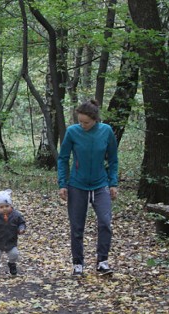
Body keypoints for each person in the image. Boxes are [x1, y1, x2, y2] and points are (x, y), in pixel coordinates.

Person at [58, 99, 118, 276]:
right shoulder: (72, 132)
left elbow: (113, 159)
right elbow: (63, 159)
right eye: (80, 121)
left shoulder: (106, 131)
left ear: (95, 120)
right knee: (77, 227)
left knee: (105, 223)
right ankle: (78, 264)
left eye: (86, 122)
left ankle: (102, 262)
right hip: (77, 185)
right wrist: (63, 184)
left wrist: (113, 183)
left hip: (101, 184)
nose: (82, 125)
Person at [0, 189, 27, 279]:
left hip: (11, 240)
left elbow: (22, 223)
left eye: (7, 206)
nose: (4, 208)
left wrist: (21, 228)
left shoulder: (16, 215)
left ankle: (11, 264)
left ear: (11, 205)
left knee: (14, 254)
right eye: (1, 207)